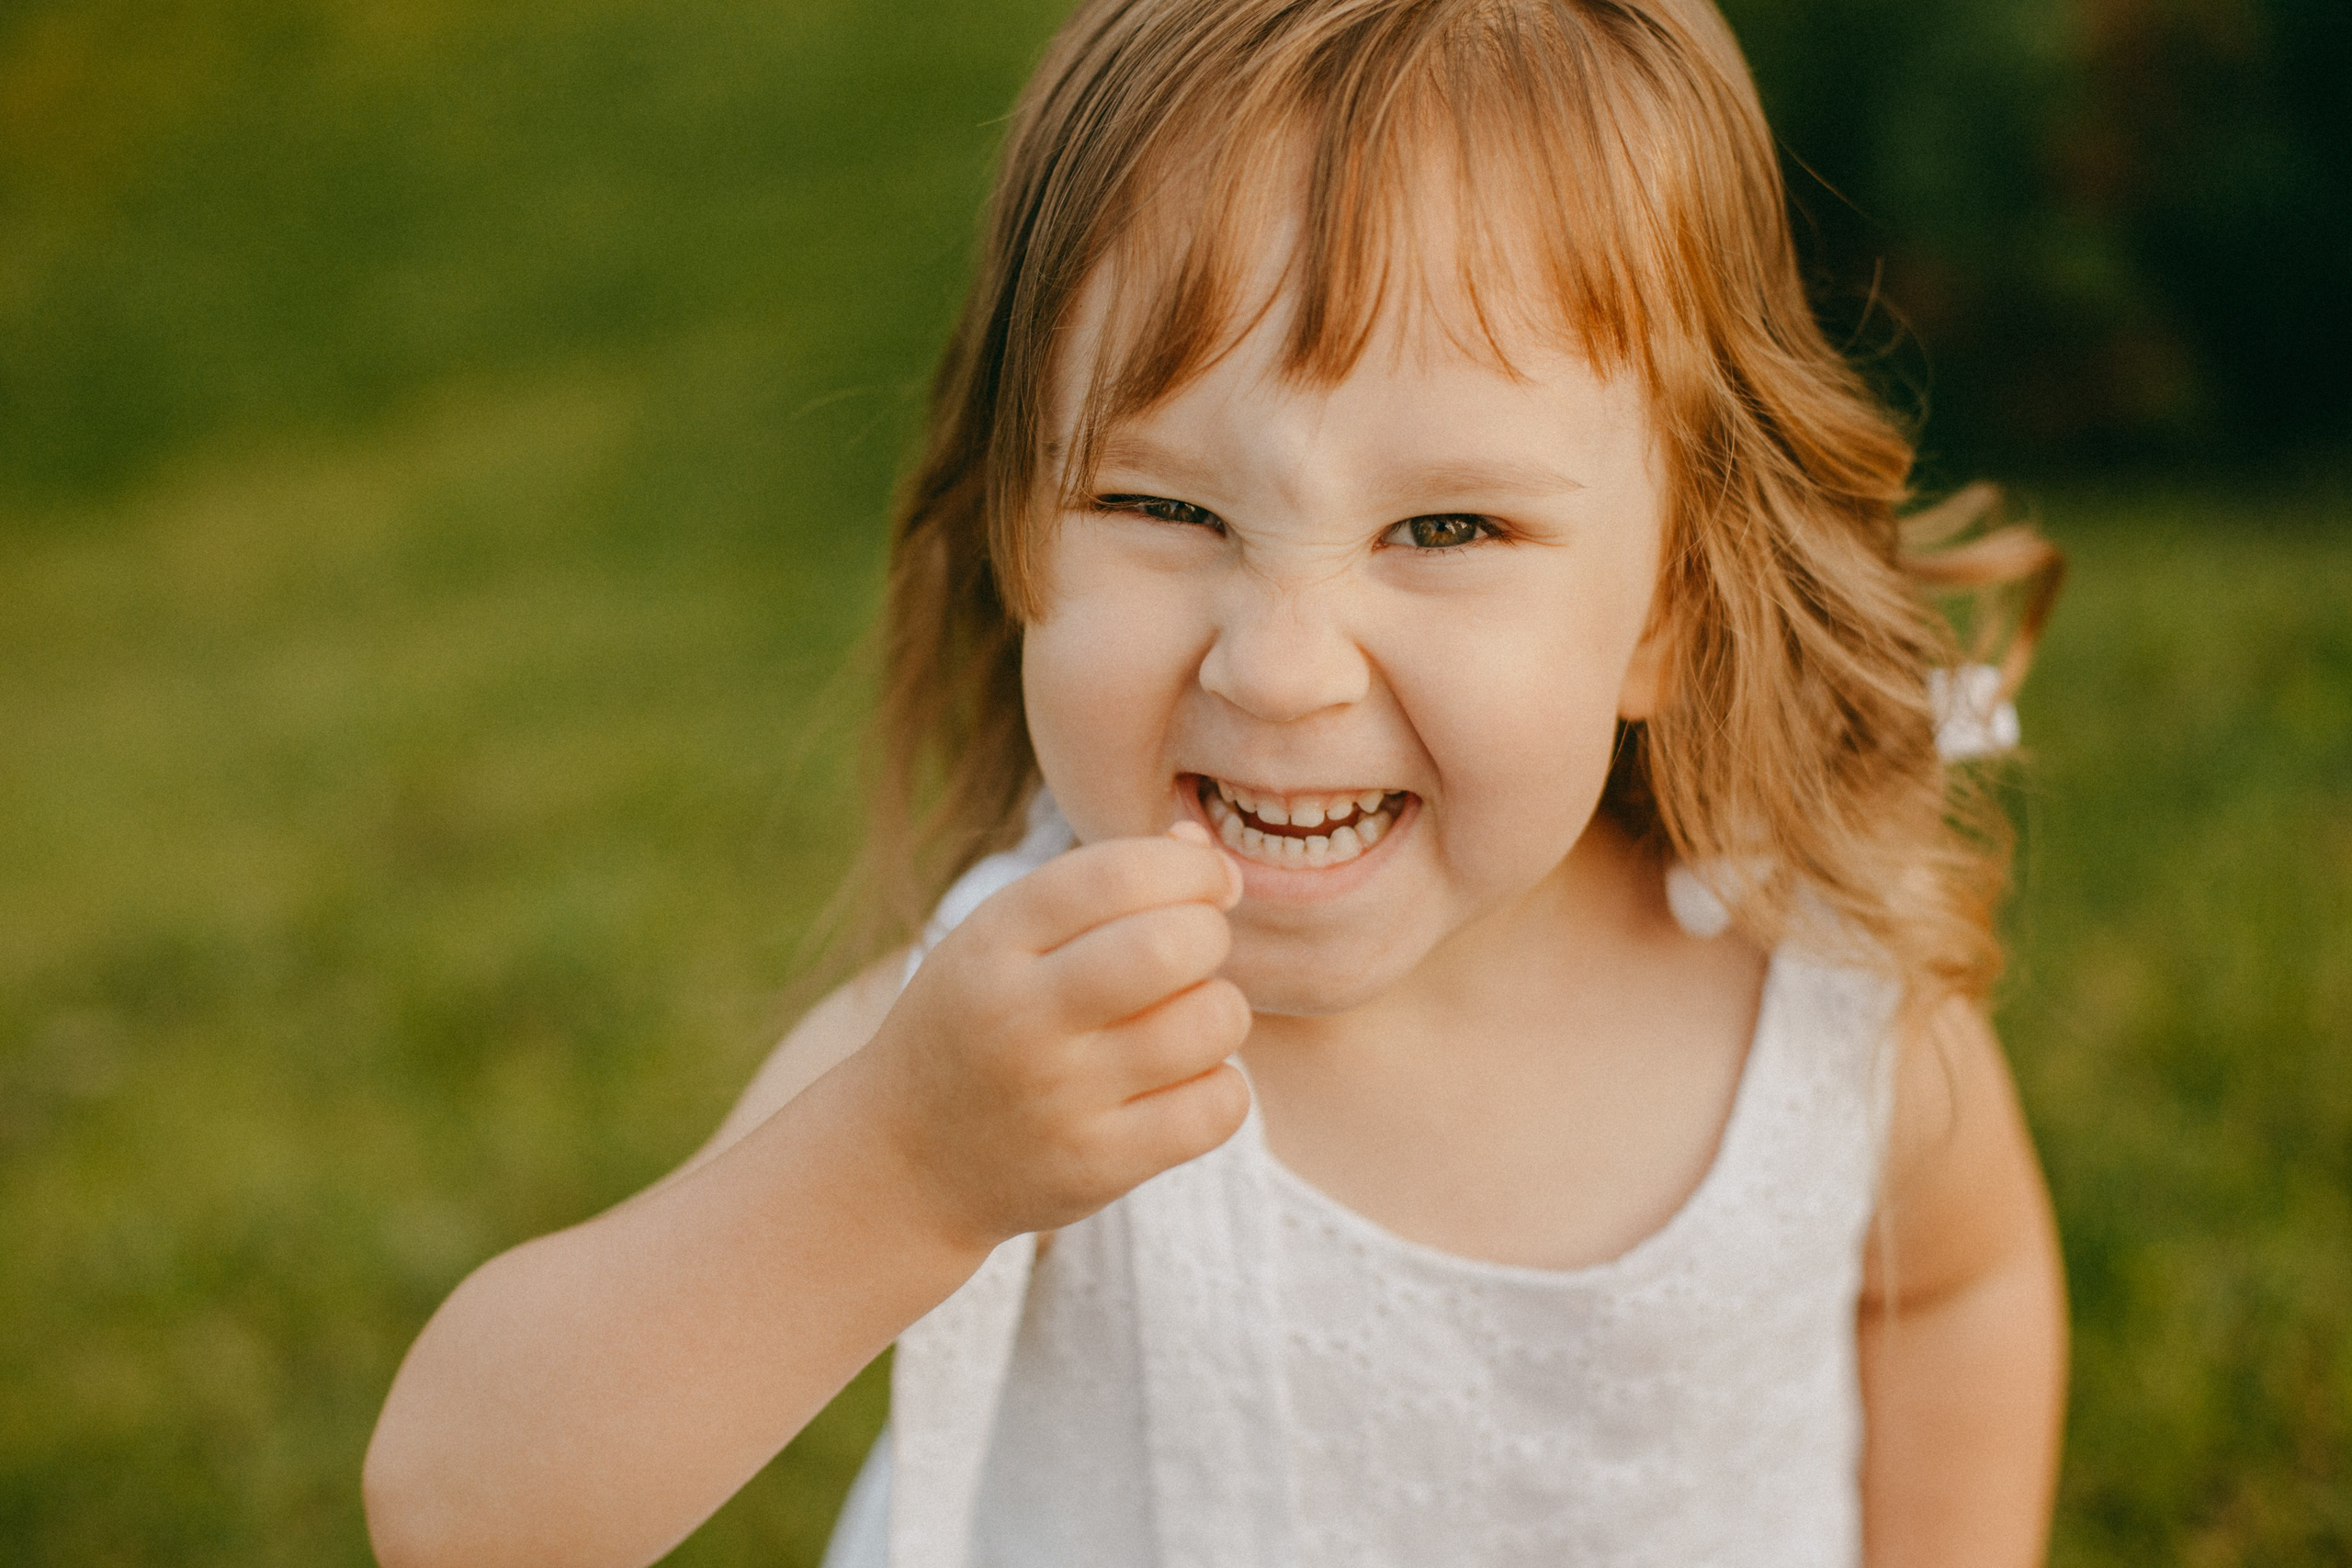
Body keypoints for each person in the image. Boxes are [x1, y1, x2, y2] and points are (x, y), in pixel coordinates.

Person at [363, 1, 2071, 1564]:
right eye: (1165, 511)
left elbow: (1954, 1294)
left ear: (1671, 607)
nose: (1278, 663)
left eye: (1445, 528)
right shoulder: (1004, 1048)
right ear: (1019, 526)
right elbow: (459, 1511)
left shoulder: (1814, 1018)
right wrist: (902, 1168)